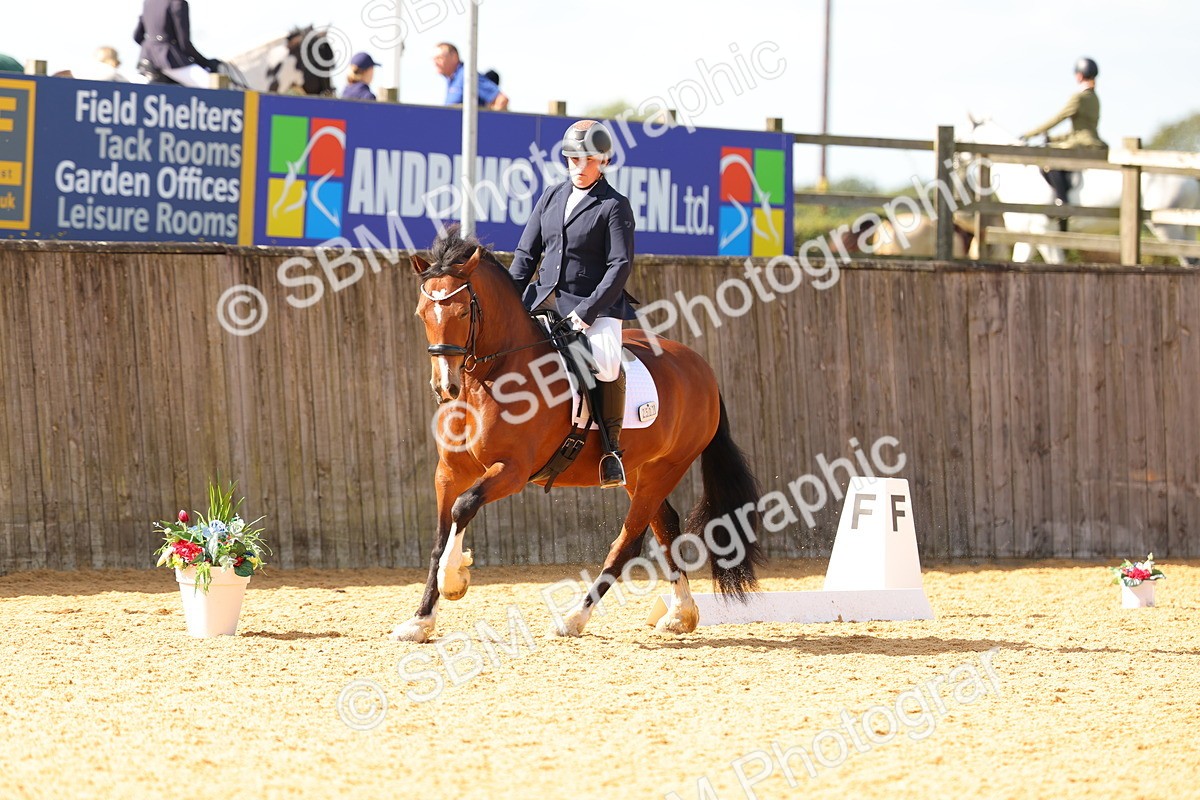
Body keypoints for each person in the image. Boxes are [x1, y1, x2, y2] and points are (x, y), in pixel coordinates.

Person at [509, 120, 637, 488]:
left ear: (605, 160)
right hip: (543, 299)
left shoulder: (614, 205)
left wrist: (587, 313)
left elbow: (620, 266)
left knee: (607, 364)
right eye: (572, 158)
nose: (578, 166)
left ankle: (612, 450)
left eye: (587, 159)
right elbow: (525, 255)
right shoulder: (551, 196)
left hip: (592, 306)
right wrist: (510, 299)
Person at [1021, 57, 1107, 207]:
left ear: (1079, 76)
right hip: (1095, 143)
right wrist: (1053, 138)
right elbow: (1080, 129)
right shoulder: (1094, 97)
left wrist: (1031, 133)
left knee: (1048, 159)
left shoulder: (1078, 98)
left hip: (1082, 144)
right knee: (1052, 148)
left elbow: (1058, 118)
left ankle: (1062, 200)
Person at [133, 0, 219, 87]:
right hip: (170, 59)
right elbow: (184, 45)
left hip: (146, 58)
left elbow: (137, 37)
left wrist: (152, 48)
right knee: (212, 85)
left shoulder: (148, 2)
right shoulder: (177, 3)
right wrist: (206, 63)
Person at [433, 42, 508, 110]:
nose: (435, 63)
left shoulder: (466, 76)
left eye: (439, 58)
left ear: (454, 57)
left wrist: (489, 123)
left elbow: (501, 100)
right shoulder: (452, 79)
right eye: (434, 59)